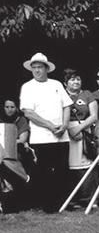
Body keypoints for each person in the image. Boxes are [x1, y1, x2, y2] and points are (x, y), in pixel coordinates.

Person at [19, 52, 72, 212]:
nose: (37, 70)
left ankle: (64, 203)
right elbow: (28, 112)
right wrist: (50, 125)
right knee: (43, 172)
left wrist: (64, 125)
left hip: (61, 136)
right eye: (34, 67)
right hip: (41, 138)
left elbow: (67, 106)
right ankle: (47, 205)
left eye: (40, 67)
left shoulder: (56, 84)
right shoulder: (27, 87)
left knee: (62, 170)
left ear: (46, 69)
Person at [64, 69, 99, 206]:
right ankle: (72, 199)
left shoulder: (87, 94)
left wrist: (78, 128)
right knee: (68, 165)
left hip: (84, 131)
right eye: (72, 79)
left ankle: (89, 199)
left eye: (78, 79)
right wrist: (69, 130)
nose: (76, 82)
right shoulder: (61, 94)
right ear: (65, 83)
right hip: (65, 132)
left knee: (86, 164)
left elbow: (94, 116)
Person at [1, 97, 32, 211]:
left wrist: (8, 141)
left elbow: (23, 139)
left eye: (12, 107)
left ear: (17, 108)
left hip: (15, 151)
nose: (9, 109)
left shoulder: (21, 120)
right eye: (7, 107)